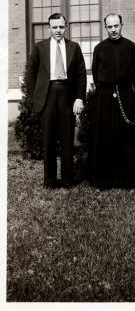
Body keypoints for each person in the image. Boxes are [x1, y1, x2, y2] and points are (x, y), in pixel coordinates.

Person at [26, 13, 87, 188]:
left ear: (66, 27)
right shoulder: (40, 48)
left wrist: (79, 98)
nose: (58, 30)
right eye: (55, 27)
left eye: (61, 27)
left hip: (67, 95)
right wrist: (35, 97)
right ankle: (50, 180)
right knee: (49, 139)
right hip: (48, 95)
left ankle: (68, 180)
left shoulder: (74, 47)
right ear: (49, 28)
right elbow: (31, 74)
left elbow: (81, 74)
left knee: (67, 138)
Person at [89, 13, 135, 189]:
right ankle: (105, 179)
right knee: (104, 136)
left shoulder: (131, 47)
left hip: (126, 94)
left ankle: (127, 179)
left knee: (125, 136)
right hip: (104, 96)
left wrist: (125, 89)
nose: (113, 30)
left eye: (116, 26)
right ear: (106, 28)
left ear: (122, 25)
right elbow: (96, 74)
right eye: (109, 27)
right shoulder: (99, 48)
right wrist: (106, 89)